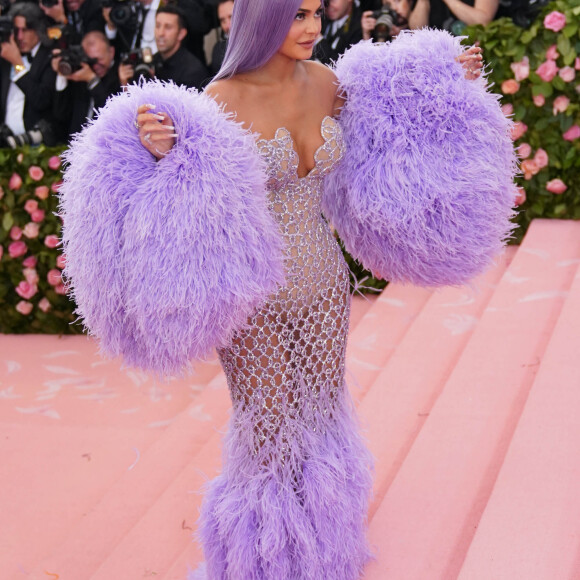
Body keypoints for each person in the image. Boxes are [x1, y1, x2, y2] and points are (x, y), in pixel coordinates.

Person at [132, 0, 485, 577]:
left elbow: (396, 116)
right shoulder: (217, 102)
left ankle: (323, 552)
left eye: (318, 12)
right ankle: (263, 562)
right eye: (297, 15)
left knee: (321, 413)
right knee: (267, 425)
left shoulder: (326, 82)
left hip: (323, 280)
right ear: (262, 20)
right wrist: (163, 153)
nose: (314, 27)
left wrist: (451, 79)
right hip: (252, 292)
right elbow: (190, 201)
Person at [0, 2, 56, 145]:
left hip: (37, 145)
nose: (19, 37)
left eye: (25, 30)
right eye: (16, 30)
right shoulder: (6, 56)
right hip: (6, 142)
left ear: (38, 30)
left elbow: (42, 101)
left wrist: (18, 64)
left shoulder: (50, 58)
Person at [52, 30, 120, 142]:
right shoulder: (81, 75)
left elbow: (111, 113)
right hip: (75, 150)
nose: (96, 65)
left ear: (111, 52)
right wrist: (62, 73)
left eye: (99, 59)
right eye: (91, 60)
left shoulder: (120, 76)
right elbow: (61, 115)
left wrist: (92, 80)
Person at [151, 4, 208, 89]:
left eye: (168, 27)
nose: (160, 33)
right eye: (158, 26)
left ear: (181, 34)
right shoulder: (152, 61)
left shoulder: (192, 71)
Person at [314, 0, 362, 64]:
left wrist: (318, 39)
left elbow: (343, 66)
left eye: (333, 0)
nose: (328, 5)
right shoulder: (322, 17)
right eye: (325, 1)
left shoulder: (361, 27)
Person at [408, 0, 498, 32]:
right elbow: (416, 30)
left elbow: (483, 22)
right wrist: (422, 1)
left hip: (473, 56)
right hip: (437, 57)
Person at [209, 0, 232, 76]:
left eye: (231, 17)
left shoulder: (264, 47)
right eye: (223, 20)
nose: (227, 26)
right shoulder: (218, 50)